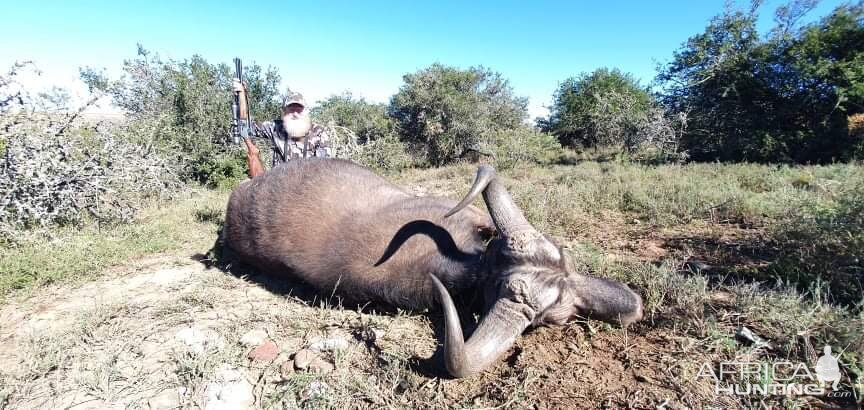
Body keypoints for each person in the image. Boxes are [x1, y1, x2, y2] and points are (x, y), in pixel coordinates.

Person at [232, 79, 331, 178]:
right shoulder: (275, 128)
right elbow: (245, 127)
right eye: (291, 109)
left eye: (299, 110)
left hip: (307, 188)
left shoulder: (319, 133)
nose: (295, 114)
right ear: (283, 111)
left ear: (306, 111)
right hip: (278, 187)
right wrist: (241, 96)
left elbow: (323, 170)